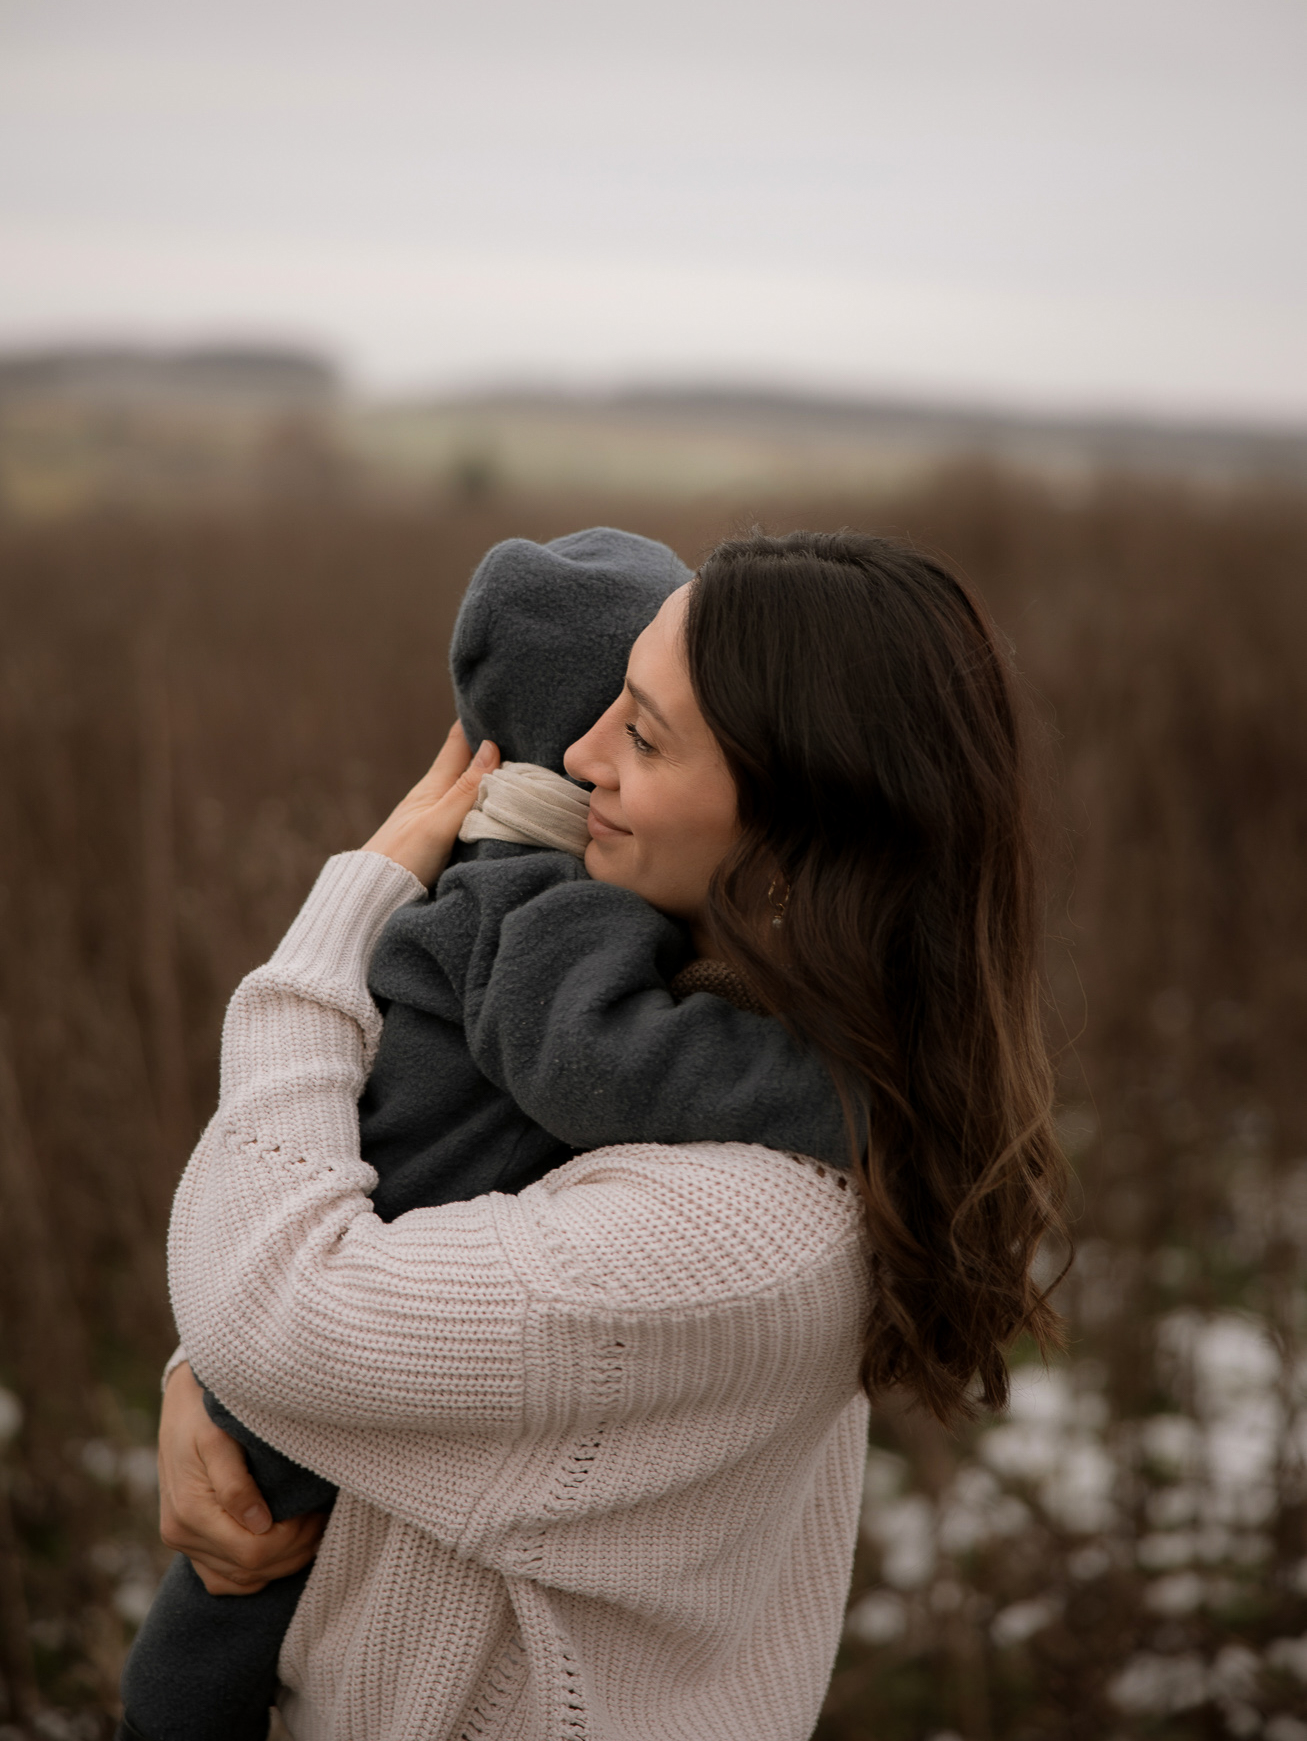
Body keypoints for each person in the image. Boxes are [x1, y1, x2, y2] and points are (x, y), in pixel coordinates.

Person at [155, 530, 1067, 1741]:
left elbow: (284, 1314)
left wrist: (340, 921)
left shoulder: (747, 1225)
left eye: (640, 733)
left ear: (801, 826)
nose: (579, 756)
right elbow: (328, 1300)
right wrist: (205, 1389)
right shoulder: (709, 1022)